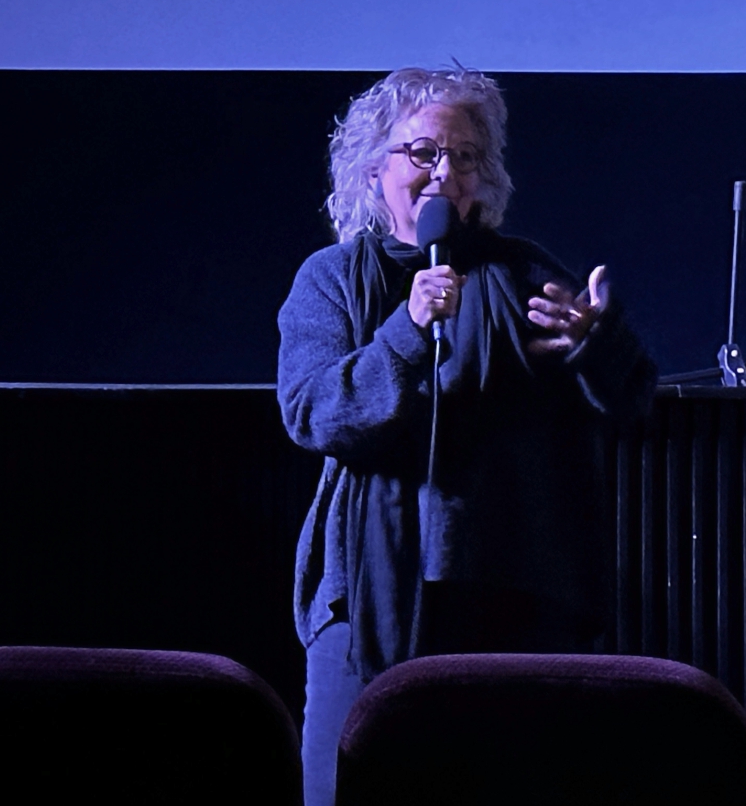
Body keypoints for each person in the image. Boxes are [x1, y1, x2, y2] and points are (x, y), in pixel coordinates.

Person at [279, 67, 657, 806]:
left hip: (513, 594)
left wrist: (597, 343)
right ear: (372, 166)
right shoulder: (331, 280)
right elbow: (313, 410)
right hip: (365, 598)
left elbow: (632, 405)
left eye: (466, 157)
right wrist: (408, 328)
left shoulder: (524, 273)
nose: (444, 172)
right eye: (422, 152)